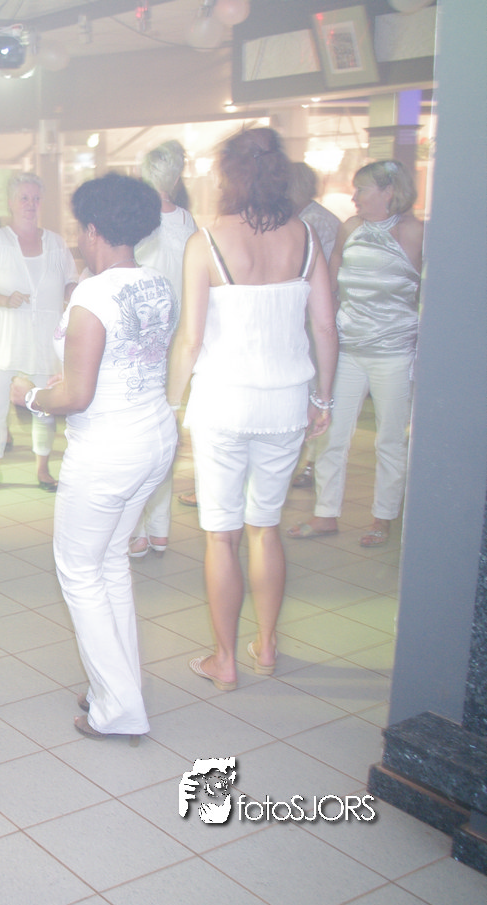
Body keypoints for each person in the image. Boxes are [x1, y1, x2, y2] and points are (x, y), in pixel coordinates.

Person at [167, 127, 337, 691]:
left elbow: (190, 340)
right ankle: (265, 645)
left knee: (222, 535)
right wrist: (323, 398)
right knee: (265, 526)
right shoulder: (305, 237)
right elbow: (324, 326)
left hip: (222, 401)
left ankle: (224, 660)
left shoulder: (206, 241)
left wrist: (171, 403)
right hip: (286, 401)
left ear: (229, 175)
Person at [11, 173, 176, 741]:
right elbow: (126, 362)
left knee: (80, 573)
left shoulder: (92, 295)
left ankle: (119, 707)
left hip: (108, 449)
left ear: (94, 229)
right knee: (109, 565)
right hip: (153, 438)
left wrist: (30, 397)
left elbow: (76, 396)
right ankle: (120, 686)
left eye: (81, 227)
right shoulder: (156, 284)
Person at [287, 160, 424, 549]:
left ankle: (384, 516)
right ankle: (325, 512)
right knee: (331, 433)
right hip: (349, 348)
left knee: (390, 439)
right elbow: (330, 286)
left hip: (394, 352)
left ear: (388, 192)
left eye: (361, 189)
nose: (354, 197)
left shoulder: (415, 232)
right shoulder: (351, 228)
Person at [0, 171, 78, 492]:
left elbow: (70, 280)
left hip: (44, 338)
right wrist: (0, 299)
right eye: (24, 198)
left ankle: (42, 469)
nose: (30, 204)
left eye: (36, 198)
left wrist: (75, 294)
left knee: (44, 408)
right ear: (12, 203)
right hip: (5, 335)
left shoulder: (55, 243)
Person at [129, 141, 197, 556]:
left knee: (138, 434)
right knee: (163, 430)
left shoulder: (137, 218)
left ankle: (137, 528)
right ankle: (159, 528)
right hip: (178, 338)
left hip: (142, 337)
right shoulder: (187, 220)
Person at [282, 161, 343, 491]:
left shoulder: (317, 222)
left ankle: (307, 462)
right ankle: (300, 459)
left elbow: (326, 281)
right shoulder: (303, 218)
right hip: (305, 318)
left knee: (315, 386)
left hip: (314, 316)